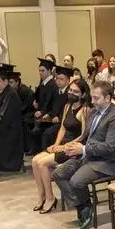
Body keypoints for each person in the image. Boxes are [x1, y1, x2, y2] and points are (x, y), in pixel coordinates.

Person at [54, 81, 115, 229]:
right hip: (89, 156)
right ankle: (83, 206)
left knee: (76, 181)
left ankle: (84, 207)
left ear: (107, 98)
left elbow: (110, 147)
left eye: (96, 98)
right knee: (58, 174)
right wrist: (71, 146)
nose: (92, 101)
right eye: (92, 97)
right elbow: (86, 136)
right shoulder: (94, 112)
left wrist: (83, 149)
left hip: (107, 162)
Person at [30, 79, 89, 214]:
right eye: (70, 90)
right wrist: (56, 144)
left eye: (76, 91)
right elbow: (62, 128)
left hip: (74, 147)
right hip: (63, 144)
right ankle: (42, 196)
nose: (71, 93)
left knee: (42, 164)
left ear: (83, 94)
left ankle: (51, 198)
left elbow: (84, 135)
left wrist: (64, 147)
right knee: (34, 161)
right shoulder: (67, 106)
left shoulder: (85, 109)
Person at [27, 57, 64, 155]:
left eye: (42, 71)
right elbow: (39, 98)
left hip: (50, 115)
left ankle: (42, 151)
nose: (40, 73)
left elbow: (51, 103)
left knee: (40, 129)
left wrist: (43, 112)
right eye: (39, 71)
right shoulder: (43, 84)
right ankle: (34, 148)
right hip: (43, 113)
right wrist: (36, 102)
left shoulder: (53, 85)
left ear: (49, 71)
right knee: (27, 121)